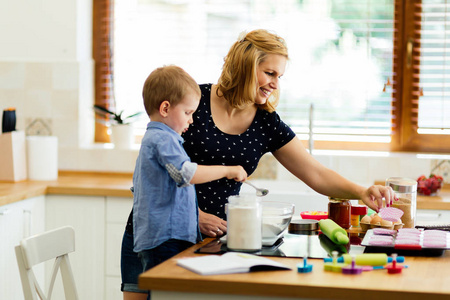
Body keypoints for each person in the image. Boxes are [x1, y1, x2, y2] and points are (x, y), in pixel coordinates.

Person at [121, 30, 396, 300]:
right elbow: (148, 172)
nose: (275, 84)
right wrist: (195, 215)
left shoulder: (266, 122)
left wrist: (361, 192)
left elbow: (315, 172)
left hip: (212, 244)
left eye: (280, 77)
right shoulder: (192, 102)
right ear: (246, 66)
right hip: (155, 234)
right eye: (270, 73)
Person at [123, 65, 247, 300]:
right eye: (189, 112)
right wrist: (227, 170)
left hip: (162, 237)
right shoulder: (163, 139)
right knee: (165, 295)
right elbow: (185, 174)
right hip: (164, 239)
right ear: (166, 108)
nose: (191, 120)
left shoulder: (159, 138)